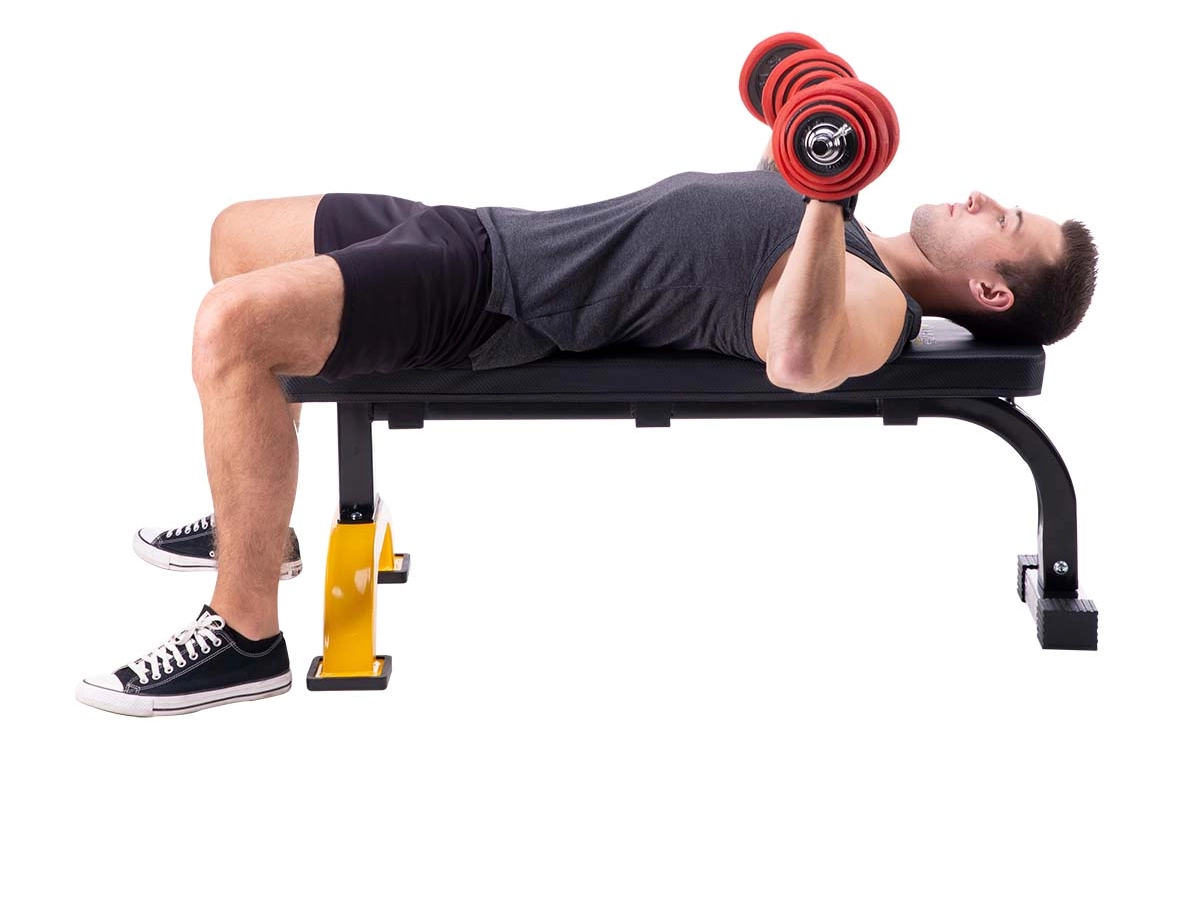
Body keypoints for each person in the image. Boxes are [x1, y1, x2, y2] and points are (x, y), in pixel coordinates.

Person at [75, 151, 1098, 717]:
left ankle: (245, 632)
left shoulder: (871, 300)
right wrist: (797, 133)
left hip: (491, 296)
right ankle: (262, 530)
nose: (982, 198)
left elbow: (797, 354)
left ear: (990, 291)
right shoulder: (849, 235)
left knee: (232, 326)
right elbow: (752, 218)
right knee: (236, 237)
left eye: (1003, 221)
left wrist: (828, 197)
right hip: (487, 232)